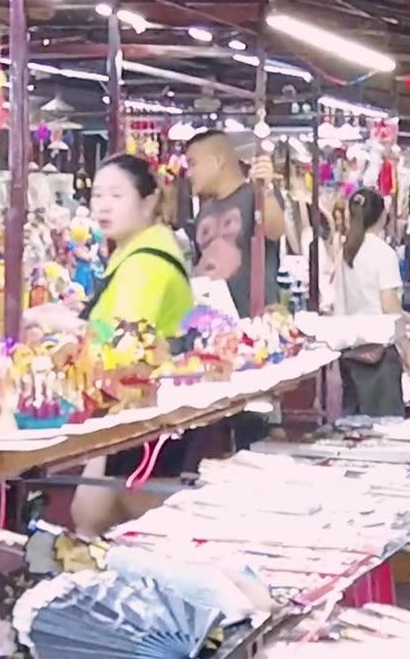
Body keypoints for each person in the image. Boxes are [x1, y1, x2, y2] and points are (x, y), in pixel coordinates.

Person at [25, 154, 194, 535]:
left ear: (148, 201)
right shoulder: (138, 252)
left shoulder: (145, 263)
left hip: (145, 412)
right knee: (93, 518)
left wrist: (67, 323)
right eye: (98, 194)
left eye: (116, 195)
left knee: (141, 526)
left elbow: (124, 341)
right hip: (136, 409)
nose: (102, 205)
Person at [333, 188, 410, 416]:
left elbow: (340, 302)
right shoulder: (383, 254)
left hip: (350, 354)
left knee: (354, 428)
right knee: (384, 432)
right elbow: (389, 307)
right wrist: (406, 346)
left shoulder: (346, 252)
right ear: (382, 216)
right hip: (379, 358)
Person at [185, 130, 287, 317]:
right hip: (213, 326)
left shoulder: (256, 197)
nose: (189, 173)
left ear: (218, 161)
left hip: (255, 326)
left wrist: (266, 189)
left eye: (193, 164)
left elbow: (276, 230)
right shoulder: (204, 212)